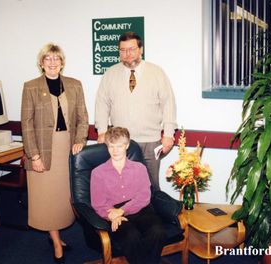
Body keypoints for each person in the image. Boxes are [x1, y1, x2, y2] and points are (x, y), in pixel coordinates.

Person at [21, 43, 89, 263]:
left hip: (66, 148)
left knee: (63, 199)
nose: (52, 63)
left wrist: (80, 140)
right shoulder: (31, 87)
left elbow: (82, 117)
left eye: (56, 59)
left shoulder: (74, 85)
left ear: (62, 62)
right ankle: (57, 242)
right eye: (48, 59)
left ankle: (57, 235)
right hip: (42, 150)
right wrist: (34, 156)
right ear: (41, 63)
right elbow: (26, 124)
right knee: (47, 199)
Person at [95, 31, 177, 191]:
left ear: (141, 49)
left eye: (132, 49)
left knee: (151, 187)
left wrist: (168, 134)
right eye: (123, 50)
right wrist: (102, 131)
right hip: (120, 143)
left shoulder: (157, 73)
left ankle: (153, 216)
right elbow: (102, 104)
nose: (127, 54)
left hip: (151, 141)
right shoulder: (110, 74)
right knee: (123, 188)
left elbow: (168, 104)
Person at [90, 127, 166, 264]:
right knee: (131, 236)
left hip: (139, 208)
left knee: (158, 231)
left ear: (127, 146)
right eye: (111, 146)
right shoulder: (98, 173)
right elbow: (98, 203)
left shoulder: (139, 168)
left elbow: (144, 196)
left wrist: (122, 210)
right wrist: (111, 215)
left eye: (119, 146)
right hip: (113, 211)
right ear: (107, 146)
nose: (115, 150)